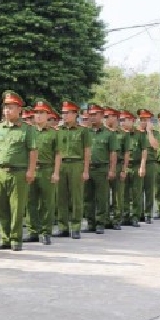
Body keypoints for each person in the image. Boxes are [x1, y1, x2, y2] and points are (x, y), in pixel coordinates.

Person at [0, 91, 37, 251]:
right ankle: (4, 238)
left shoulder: (27, 129)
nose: (7, 111)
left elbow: (33, 151)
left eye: (11, 108)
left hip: (19, 172)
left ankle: (16, 239)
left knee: (17, 207)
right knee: (1, 205)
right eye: (5, 108)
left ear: (19, 110)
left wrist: (31, 171)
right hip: (0, 171)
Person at [26, 99, 61, 245]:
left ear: (48, 115)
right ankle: (33, 231)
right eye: (36, 113)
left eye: (42, 113)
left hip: (47, 169)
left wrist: (56, 172)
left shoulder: (54, 133)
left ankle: (46, 232)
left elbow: (58, 153)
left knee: (47, 202)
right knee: (30, 202)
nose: (39, 116)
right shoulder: (28, 131)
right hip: (31, 170)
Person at [56, 101, 91, 239]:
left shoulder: (83, 130)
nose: (64, 115)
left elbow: (87, 151)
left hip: (77, 164)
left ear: (75, 114)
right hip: (62, 164)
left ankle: (76, 226)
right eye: (63, 113)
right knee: (61, 197)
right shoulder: (58, 130)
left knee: (76, 197)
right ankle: (63, 227)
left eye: (67, 113)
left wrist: (86, 170)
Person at [83, 104, 117, 234]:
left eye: (95, 115)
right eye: (90, 115)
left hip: (102, 169)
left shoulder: (109, 134)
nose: (92, 117)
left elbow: (113, 153)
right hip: (88, 168)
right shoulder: (85, 132)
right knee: (87, 197)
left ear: (102, 116)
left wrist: (112, 170)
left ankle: (101, 222)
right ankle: (90, 223)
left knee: (102, 197)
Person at [119, 110, 147, 227]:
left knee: (136, 192)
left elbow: (144, 151)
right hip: (124, 166)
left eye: (124, 120)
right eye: (120, 120)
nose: (121, 123)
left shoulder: (140, 134)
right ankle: (125, 216)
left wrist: (142, 166)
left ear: (131, 121)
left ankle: (135, 216)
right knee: (124, 193)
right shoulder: (119, 134)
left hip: (135, 166)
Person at [104, 107, 129, 229]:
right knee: (103, 194)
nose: (107, 119)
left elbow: (126, 153)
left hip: (118, 165)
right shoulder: (102, 132)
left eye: (110, 116)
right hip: (104, 166)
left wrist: (124, 169)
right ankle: (106, 219)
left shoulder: (123, 134)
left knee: (117, 194)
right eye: (106, 116)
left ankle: (117, 219)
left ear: (116, 118)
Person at [136, 109, 160, 223]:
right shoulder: (135, 133)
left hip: (150, 163)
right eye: (142, 119)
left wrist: (149, 132)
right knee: (137, 190)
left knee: (149, 190)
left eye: (146, 120)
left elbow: (155, 146)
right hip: (137, 163)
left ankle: (148, 214)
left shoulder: (155, 133)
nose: (144, 122)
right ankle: (138, 213)